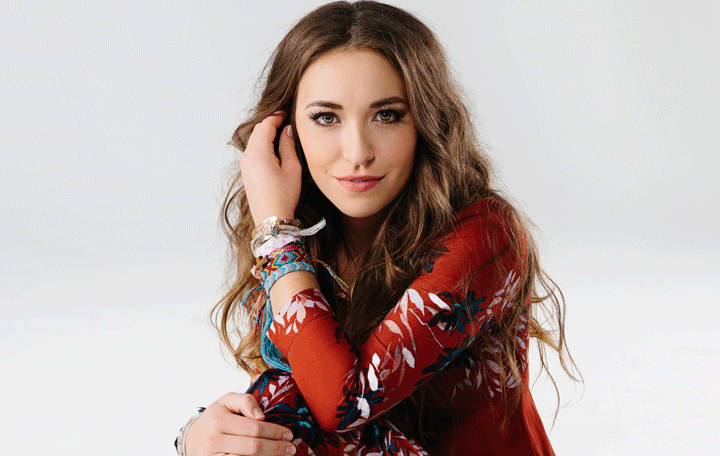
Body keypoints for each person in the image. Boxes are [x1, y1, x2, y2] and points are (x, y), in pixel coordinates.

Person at [176, 1, 579, 455]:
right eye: (326, 118)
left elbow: (345, 404)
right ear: (285, 130)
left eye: (386, 115)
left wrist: (276, 236)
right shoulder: (306, 236)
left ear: (426, 121)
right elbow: (288, 399)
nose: (357, 153)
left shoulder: (486, 235)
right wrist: (195, 436)